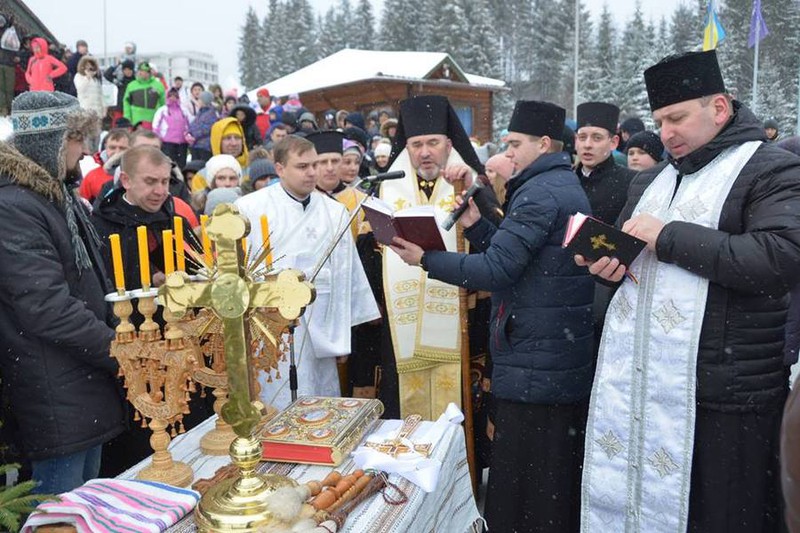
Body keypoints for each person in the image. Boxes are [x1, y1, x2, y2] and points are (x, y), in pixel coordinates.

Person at [577, 49, 800, 532]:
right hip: (646, 390)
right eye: (659, 121)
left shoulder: (770, 169)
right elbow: (629, 252)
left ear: (719, 108)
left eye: (677, 118)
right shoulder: (652, 180)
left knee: (720, 516)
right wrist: (604, 266)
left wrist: (668, 236)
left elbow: (780, 258)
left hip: (728, 393)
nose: (666, 133)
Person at [390, 100, 594, 532]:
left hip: (537, 357)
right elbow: (519, 256)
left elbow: (498, 270)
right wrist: (476, 223)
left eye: (515, 144)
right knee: (541, 474)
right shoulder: (554, 183)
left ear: (543, 143)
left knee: (528, 476)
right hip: (548, 351)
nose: (508, 153)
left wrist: (425, 258)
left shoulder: (540, 192)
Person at [0, 91, 126, 493]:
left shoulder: (54, 195)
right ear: (50, 141)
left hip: (79, 385)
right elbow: (46, 306)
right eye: (77, 138)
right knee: (60, 511)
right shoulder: (15, 206)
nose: (86, 151)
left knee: (86, 509)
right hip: (53, 390)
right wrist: (119, 349)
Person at [379, 94, 502, 420]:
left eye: (432, 142)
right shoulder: (386, 188)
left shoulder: (475, 186)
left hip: (465, 316)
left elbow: (496, 243)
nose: (424, 152)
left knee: (460, 416)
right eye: (416, 143)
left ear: (449, 144)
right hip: (403, 326)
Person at [235, 135, 380, 409]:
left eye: (314, 165)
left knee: (320, 394)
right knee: (275, 393)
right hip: (271, 322)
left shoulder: (335, 211)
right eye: (302, 166)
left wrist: (346, 329)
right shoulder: (250, 208)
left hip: (322, 319)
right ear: (279, 169)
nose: (312, 172)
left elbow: (346, 272)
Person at [574, 101, 637, 225]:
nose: (587, 145)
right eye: (582, 137)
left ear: (613, 142)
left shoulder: (631, 182)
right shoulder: (566, 180)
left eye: (597, 138)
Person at [78, 128, 130, 203]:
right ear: (105, 147)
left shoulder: (136, 175)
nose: (117, 152)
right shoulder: (92, 176)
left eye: (122, 148)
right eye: (112, 147)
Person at [153, 88, 191, 168]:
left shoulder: (184, 110)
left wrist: (188, 136)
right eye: (170, 96)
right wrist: (158, 139)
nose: (173, 98)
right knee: (167, 164)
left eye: (175, 96)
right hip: (167, 143)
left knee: (181, 165)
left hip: (182, 143)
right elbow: (155, 126)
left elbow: (190, 124)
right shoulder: (162, 110)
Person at [122, 62, 165, 129]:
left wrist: (162, 118)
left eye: (145, 71)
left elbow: (163, 104)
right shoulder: (131, 85)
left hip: (153, 120)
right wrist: (127, 117)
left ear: (149, 72)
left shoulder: (158, 85)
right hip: (136, 121)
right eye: (141, 71)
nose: (142, 73)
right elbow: (126, 102)